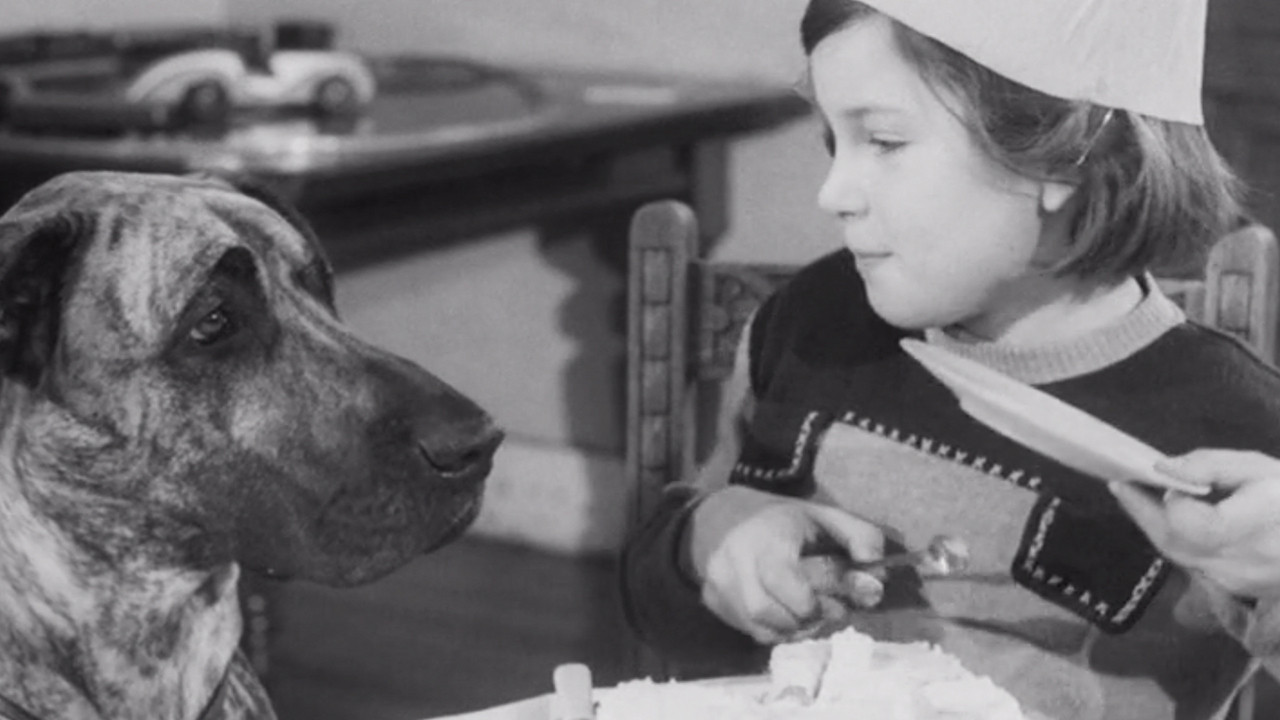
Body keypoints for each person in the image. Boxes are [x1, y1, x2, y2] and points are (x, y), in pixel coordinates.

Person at [618, 1, 1280, 718]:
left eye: (883, 140)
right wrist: (711, 537)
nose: (832, 192)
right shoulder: (811, 324)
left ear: (1063, 155)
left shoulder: (1237, 431)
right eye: (831, 143)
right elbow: (662, 610)